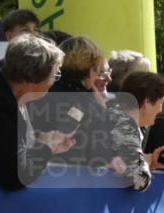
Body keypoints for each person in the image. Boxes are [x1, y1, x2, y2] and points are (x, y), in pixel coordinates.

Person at [0, 34, 74, 190]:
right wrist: (47, 148)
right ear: (35, 77)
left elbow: (13, 147)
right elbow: (14, 177)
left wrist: (41, 139)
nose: (54, 81)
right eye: (55, 74)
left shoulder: (12, 97)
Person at [29, 36, 115, 170]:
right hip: (72, 180)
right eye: (99, 69)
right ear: (92, 68)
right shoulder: (91, 107)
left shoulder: (35, 95)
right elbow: (101, 158)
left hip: (30, 174)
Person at [108, 71, 164, 190]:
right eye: (161, 102)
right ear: (147, 102)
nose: (160, 110)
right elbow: (139, 180)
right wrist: (147, 163)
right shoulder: (124, 125)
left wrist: (149, 161)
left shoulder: (114, 116)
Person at [0, 8, 39, 73]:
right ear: (9, 36)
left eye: (35, 30)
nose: (33, 34)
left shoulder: (45, 64)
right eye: (25, 30)